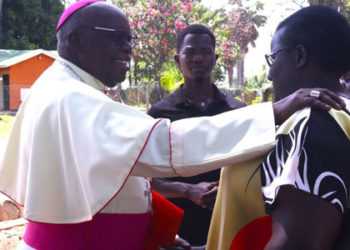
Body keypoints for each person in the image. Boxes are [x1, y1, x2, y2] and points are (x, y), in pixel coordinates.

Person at [0, 1, 344, 249]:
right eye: (117, 37)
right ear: (74, 41)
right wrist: (271, 112)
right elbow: (162, 145)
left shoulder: (74, 90)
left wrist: (155, 231)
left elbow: (107, 176)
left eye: (130, 39)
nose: (129, 49)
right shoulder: (68, 97)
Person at [207, 5, 350, 250]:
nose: (270, 74)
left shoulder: (309, 122)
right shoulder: (342, 113)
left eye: (273, 58)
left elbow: (297, 243)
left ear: (299, 55)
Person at [148, 24, 245, 246]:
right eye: (190, 52)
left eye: (205, 52)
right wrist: (188, 190)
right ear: (177, 59)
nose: (198, 58)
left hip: (228, 229)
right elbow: (146, 181)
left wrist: (225, 188)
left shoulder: (238, 111)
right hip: (179, 235)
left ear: (215, 58)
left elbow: (252, 172)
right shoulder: (160, 115)